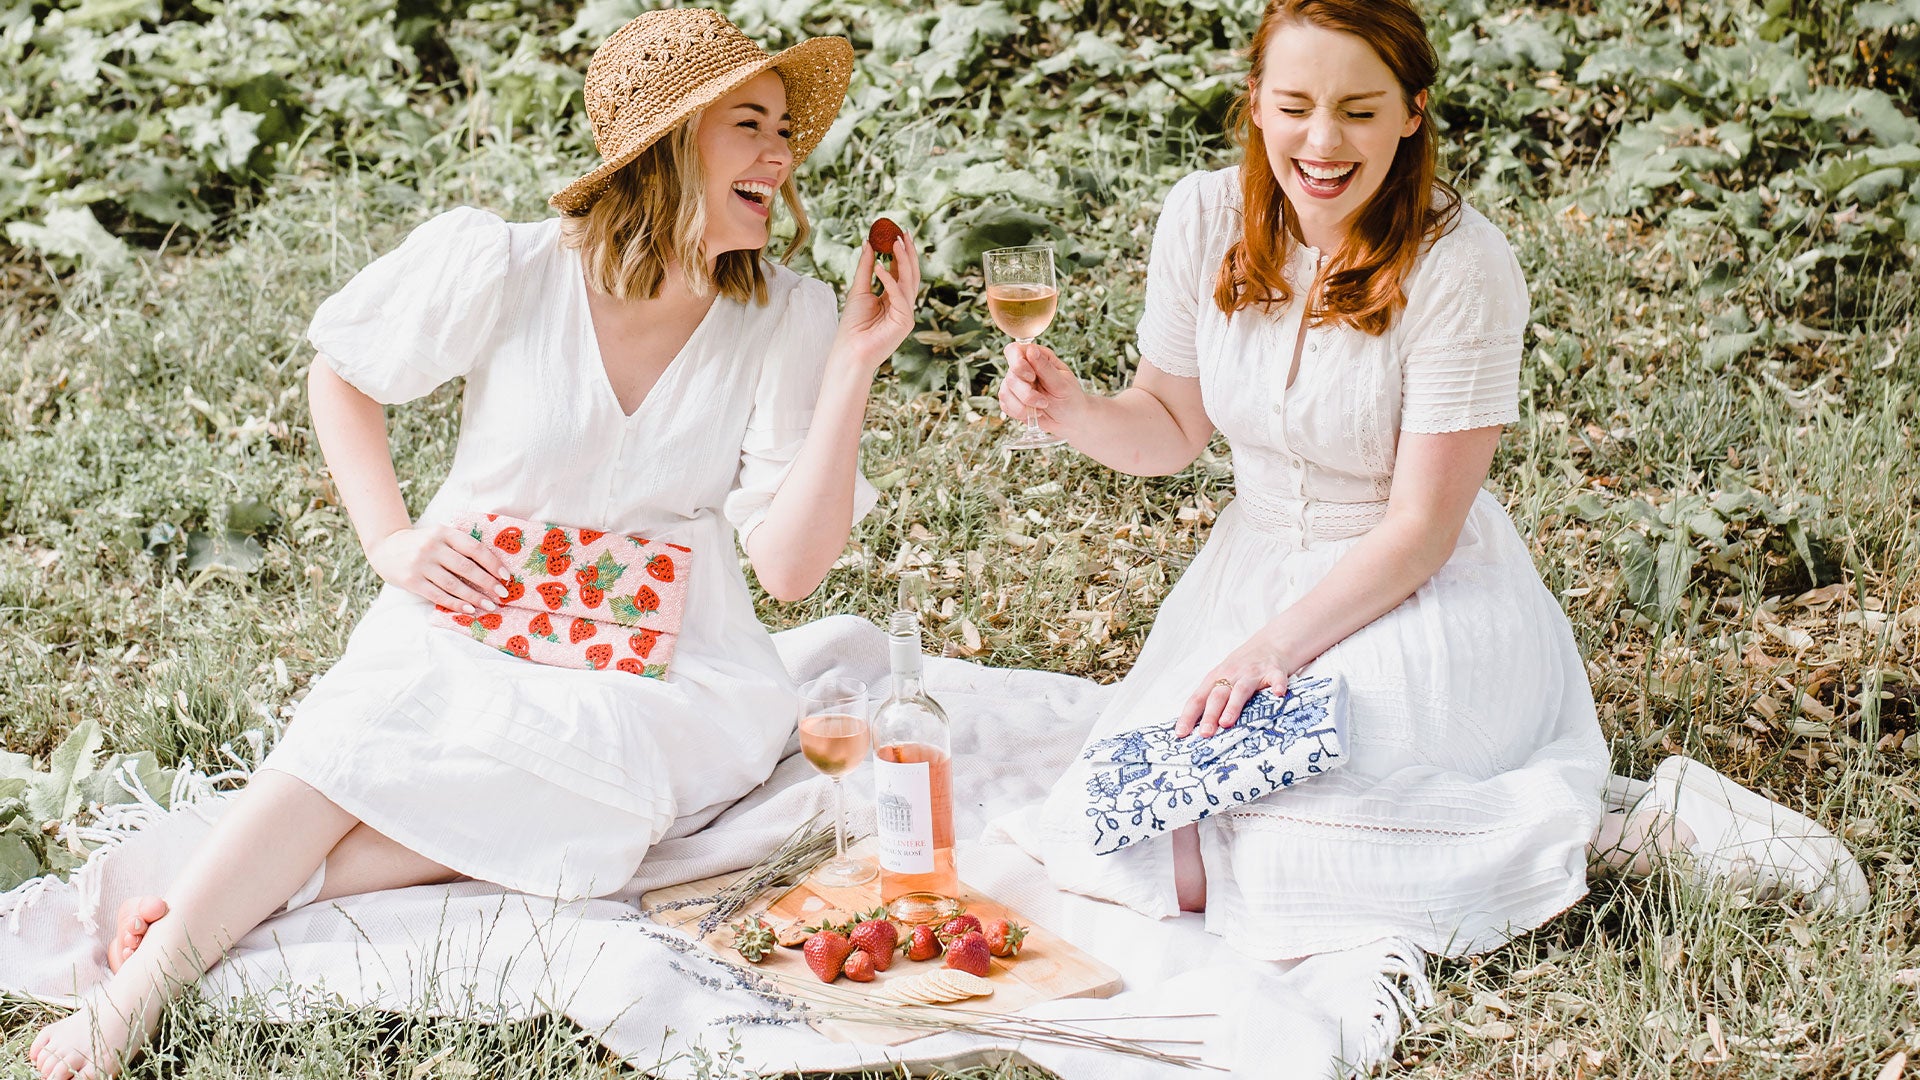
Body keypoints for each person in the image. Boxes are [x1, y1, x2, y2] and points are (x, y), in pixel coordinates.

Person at [28, 10, 920, 1079]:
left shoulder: (788, 314)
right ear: (670, 140)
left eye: (784, 129)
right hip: (477, 602)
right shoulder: (510, 267)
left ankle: (224, 912)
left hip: (665, 658)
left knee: (584, 778)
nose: (782, 155)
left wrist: (856, 367)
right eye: (751, 125)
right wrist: (393, 543)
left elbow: (789, 569)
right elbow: (341, 372)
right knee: (359, 736)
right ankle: (139, 997)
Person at [1000, 0, 1867, 965]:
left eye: (1359, 110)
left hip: (1414, 592)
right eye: (1294, 105)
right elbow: (1166, 429)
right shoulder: (1204, 218)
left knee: (1292, 851)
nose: (1322, 142)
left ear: (1413, 111)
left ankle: (1632, 832)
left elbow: (1421, 528)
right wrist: (1072, 410)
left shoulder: (1463, 264)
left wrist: (1266, 655)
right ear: (1254, 103)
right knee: (1114, 837)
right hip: (1250, 578)